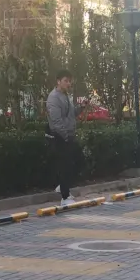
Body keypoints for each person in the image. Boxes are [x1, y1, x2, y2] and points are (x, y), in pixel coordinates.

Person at [46, 69, 82, 206]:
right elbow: (56, 122)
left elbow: (71, 114)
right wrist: (65, 137)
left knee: (77, 162)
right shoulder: (53, 98)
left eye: (69, 81)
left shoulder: (66, 96)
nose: (68, 83)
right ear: (58, 81)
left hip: (69, 135)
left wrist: (82, 107)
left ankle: (62, 187)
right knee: (65, 166)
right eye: (66, 81)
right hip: (59, 137)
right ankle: (65, 197)